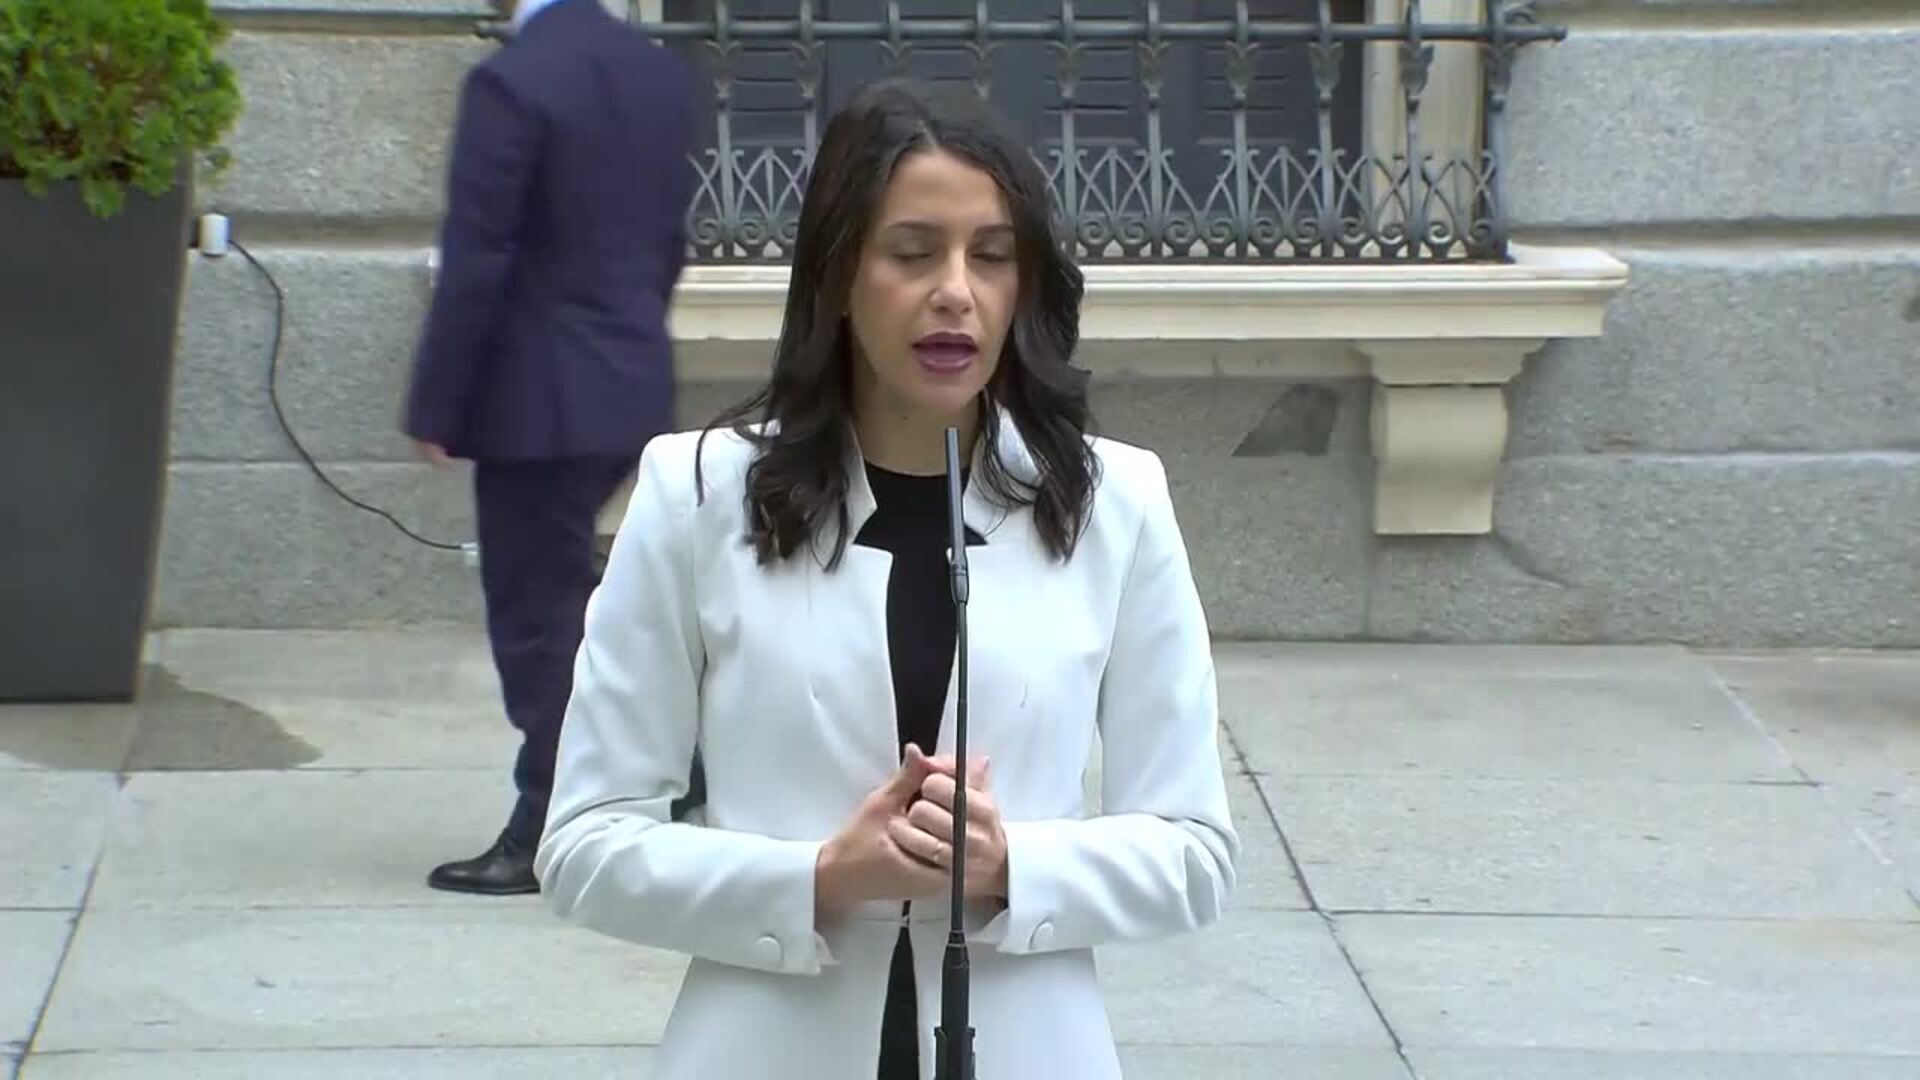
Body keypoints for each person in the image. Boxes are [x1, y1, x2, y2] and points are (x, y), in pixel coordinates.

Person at [535, 78, 1239, 1079]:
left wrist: (1012, 867)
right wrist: (819, 879)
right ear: (838, 273)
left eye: (991, 256)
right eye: (913, 253)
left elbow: (1195, 853)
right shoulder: (695, 494)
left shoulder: (1114, 503)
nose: (955, 290)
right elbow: (585, 847)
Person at [401, 0, 698, 895]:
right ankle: (678, 769)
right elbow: (668, 242)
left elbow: (477, 255)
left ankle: (550, 816)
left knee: (537, 616)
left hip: (537, 396)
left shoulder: (511, 80)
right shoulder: (657, 74)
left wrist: (437, 401)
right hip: (630, 376)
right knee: (587, 597)